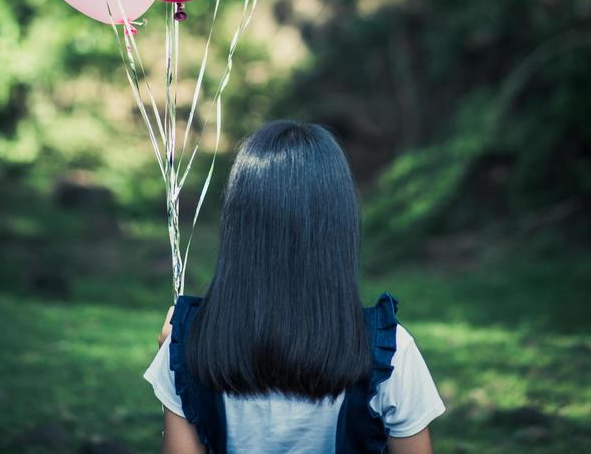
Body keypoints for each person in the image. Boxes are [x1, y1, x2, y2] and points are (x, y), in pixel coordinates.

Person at [144, 120, 445, 453]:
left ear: (237, 225)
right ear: (340, 228)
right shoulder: (390, 351)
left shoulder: (187, 343)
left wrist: (175, 363)